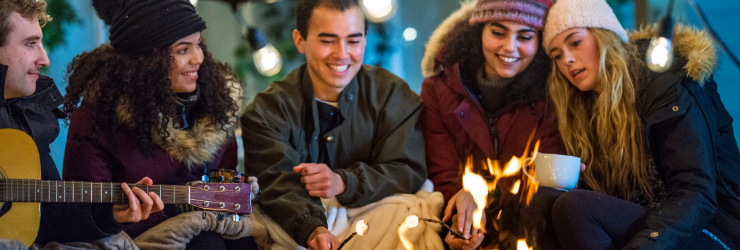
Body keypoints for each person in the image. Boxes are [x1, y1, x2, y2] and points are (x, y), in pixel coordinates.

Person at [543, 0, 740, 249]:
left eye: (575, 42)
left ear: (604, 35)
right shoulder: (582, 110)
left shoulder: (663, 81)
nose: (567, 60)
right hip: (654, 225)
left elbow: (696, 194)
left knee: (574, 208)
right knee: (546, 201)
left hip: (711, 229)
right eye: (557, 55)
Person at [240, 0, 427, 249]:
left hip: (380, 222)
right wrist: (313, 228)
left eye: (353, 40)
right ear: (300, 40)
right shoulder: (266, 112)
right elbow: (275, 183)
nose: (341, 54)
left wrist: (345, 182)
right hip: (304, 229)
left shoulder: (393, 95)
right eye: (327, 41)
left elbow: (407, 169)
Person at [61, 0, 247, 248]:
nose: (198, 58)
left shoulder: (215, 106)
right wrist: (118, 216)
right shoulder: (95, 122)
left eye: (198, 44)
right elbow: (81, 219)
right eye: (183, 50)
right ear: (147, 60)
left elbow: (226, 186)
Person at [0, 0, 161, 246]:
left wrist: (109, 215)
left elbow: (49, 220)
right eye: (30, 44)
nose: (44, 59)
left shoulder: (27, 118)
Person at [420, 0, 564, 249]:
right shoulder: (437, 90)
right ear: (478, 32)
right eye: (498, 32)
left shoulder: (555, 93)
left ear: (539, 41)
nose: (510, 47)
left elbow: (547, 181)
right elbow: (442, 171)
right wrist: (458, 210)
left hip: (529, 229)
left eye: (525, 36)